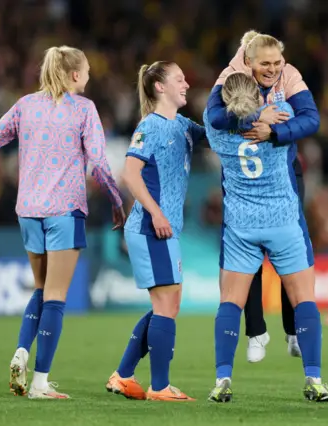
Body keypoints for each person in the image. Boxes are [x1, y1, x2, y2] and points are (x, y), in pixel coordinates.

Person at [0, 45, 126, 399]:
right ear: (73, 75)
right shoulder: (84, 109)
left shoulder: (26, 105)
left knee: (41, 290)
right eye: (86, 70)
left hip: (28, 210)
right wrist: (116, 200)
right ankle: (40, 382)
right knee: (55, 298)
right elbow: (99, 162)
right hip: (65, 210)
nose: (89, 76)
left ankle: (21, 351)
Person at [205, 72, 328, 403]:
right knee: (304, 299)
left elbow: (216, 114)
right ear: (260, 96)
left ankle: (222, 379)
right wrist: (266, 111)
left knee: (230, 304)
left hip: (241, 225)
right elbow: (308, 119)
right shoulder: (282, 115)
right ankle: (315, 380)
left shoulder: (216, 128)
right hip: (282, 222)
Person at [207, 30, 320, 363]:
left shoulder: (290, 74)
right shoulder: (230, 77)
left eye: (277, 62)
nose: (273, 69)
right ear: (248, 61)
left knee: (290, 251)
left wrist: (275, 132)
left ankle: (292, 330)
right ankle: (256, 331)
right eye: (265, 64)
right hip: (243, 177)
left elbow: (312, 119)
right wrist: (258, 116)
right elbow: (215, 118)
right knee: (249, 255)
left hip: (282, 168)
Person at [105, 61, 205, 402]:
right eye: (179, 78)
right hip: (152, 227)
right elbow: (130, 174)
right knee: (166, 305)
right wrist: (157, 212)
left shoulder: (183, 126)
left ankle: (123, 375)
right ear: (159, 87)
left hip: (163, 228)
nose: (187, 84)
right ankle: (160, 387)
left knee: (168, 303)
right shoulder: (151, 126)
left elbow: (217, 135)